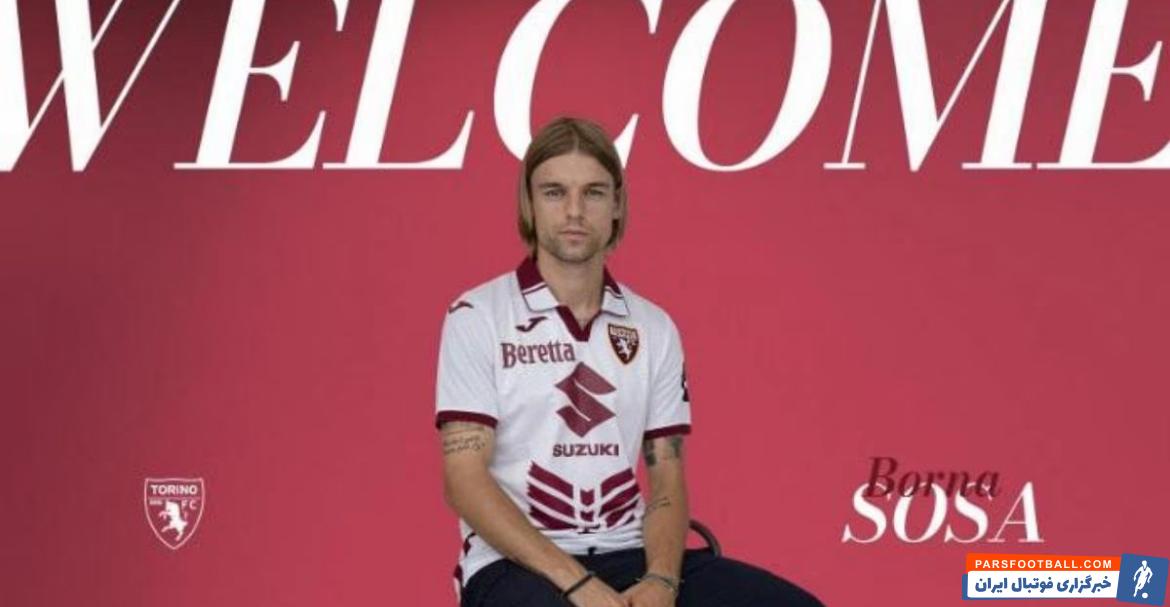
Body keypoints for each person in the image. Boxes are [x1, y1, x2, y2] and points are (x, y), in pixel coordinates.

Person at [435, 116, 823, 607]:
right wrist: (578, 584)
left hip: (629, 552)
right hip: (516, 564)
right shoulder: (477, 316)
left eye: (594, 193)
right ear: (529, 204)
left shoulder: (652, 327)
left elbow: (667, 477)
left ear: (616, 204)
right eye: (554, 192)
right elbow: (464, 480)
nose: (574, 211)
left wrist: (661, 580)